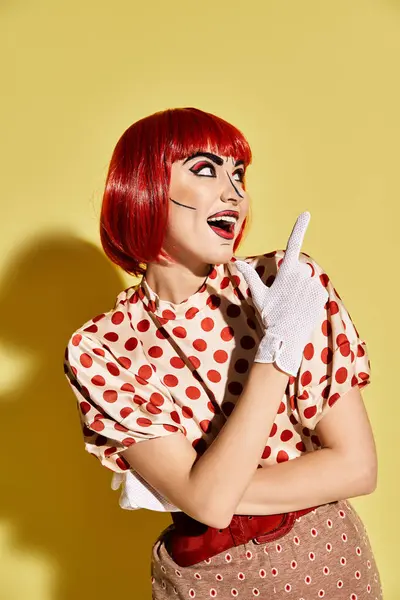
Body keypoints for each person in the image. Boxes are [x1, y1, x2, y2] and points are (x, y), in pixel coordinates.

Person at [63, 107, 383, 599]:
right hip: (204, 578)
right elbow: (209, 508)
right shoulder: (99, 348)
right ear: (144, 185)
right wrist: (278, 354)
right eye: (206, 169)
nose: (234, 192)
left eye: (238, 174)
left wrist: (197, 488)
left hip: (324, 558)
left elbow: (356, 467)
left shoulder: (289, 281)